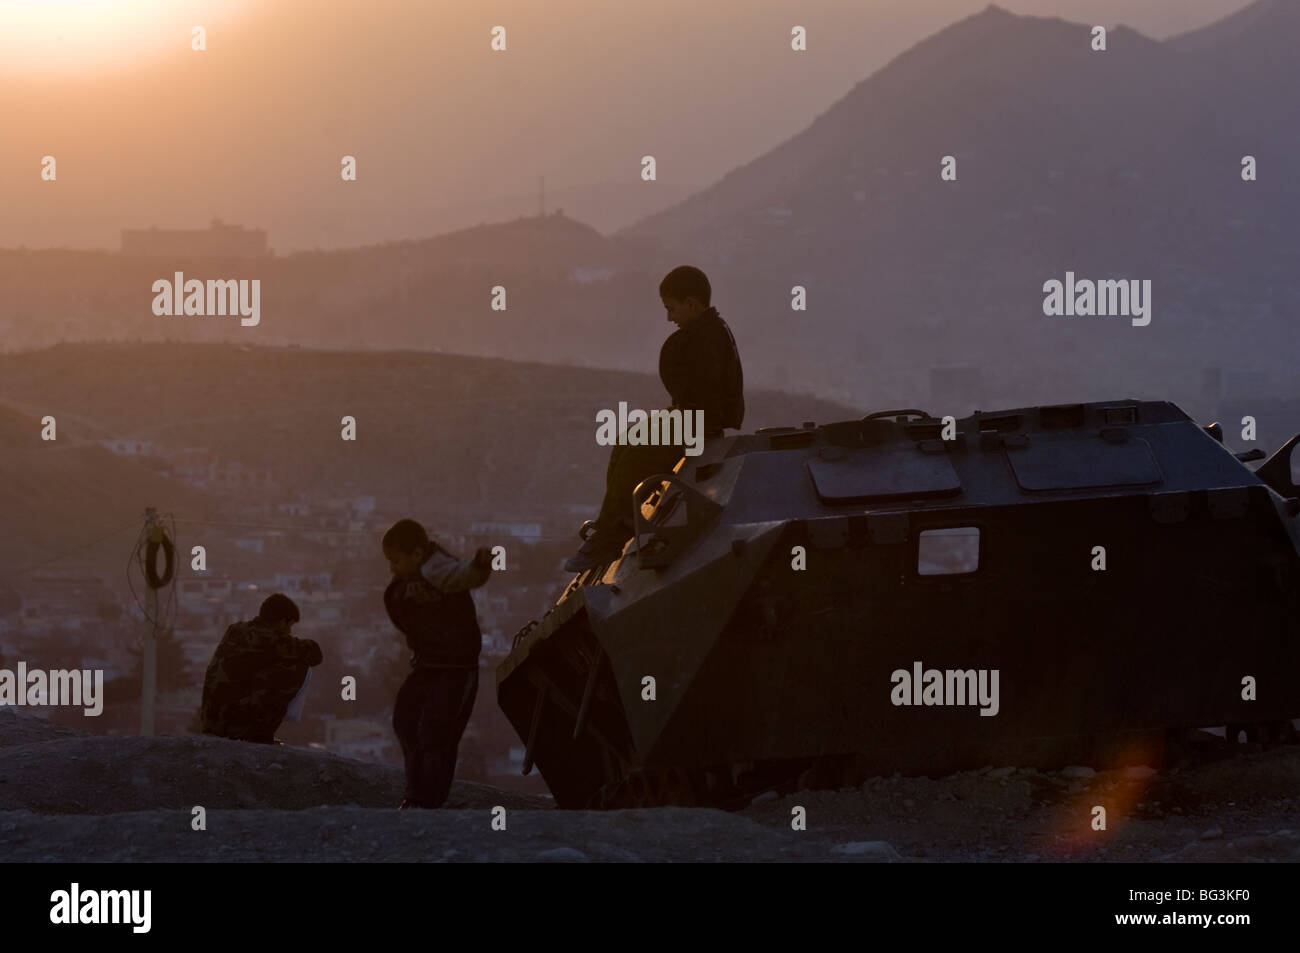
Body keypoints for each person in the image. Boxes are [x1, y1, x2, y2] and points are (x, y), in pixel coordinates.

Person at [564, 265, 744, 572]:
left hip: (699, 422)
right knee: (627, 441)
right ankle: (612, 522)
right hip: (692, 417)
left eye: (672, 309)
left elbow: (703, 394)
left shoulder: (710, 337)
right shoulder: (707, 332)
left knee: (636, 457)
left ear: (692, 303)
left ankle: (612, 536)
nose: (669, 318)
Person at [382, 518, 493, 809]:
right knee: (406, 721)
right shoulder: (409, 581)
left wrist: (481, 566)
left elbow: (465, 575)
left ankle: (427, 800)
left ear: (417, 554)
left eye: (396, 561)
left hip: (456, 671)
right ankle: (415, 794)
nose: (392, 568)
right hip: (428, 666)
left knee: (436, 734)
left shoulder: (437, 568)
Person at [199, 593, 322, 743]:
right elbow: (315, 655)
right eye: (289, 626)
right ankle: (259, 734)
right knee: (300, 666)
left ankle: (252, 730)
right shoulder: (270, 638)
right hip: (233, 727)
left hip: (211, 722)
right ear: (282, 622)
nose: (290, 631)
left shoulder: (235, 629)